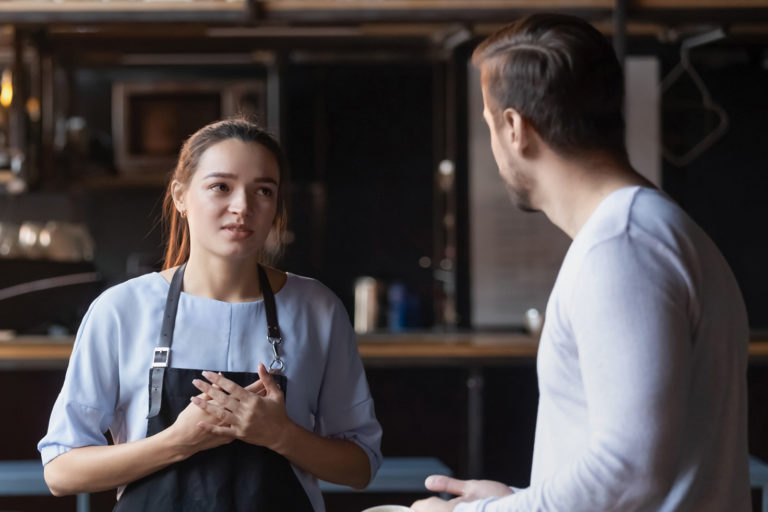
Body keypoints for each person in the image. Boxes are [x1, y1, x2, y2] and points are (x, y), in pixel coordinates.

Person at [413, 13, 750, 512]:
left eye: (489, 124)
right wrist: (519, 501)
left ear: (514, 128)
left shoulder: (622, 246)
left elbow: (629, 474)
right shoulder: (647, 230)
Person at [38, 117, 383, 511]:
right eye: (221, 186)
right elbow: (61, 471)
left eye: (263, 191)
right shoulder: (121, 310)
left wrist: (280, 434)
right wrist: (178, 441)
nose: (243, 207)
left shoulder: (317, 309)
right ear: (181, 196)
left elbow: (360, 466)